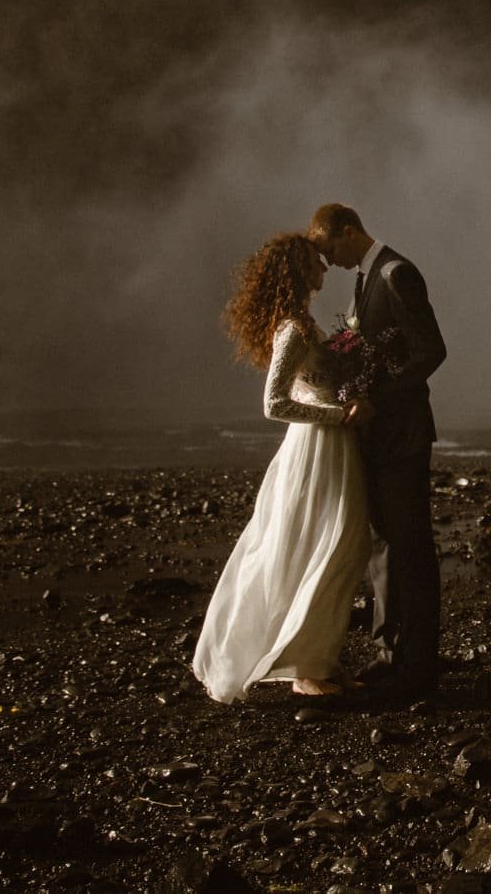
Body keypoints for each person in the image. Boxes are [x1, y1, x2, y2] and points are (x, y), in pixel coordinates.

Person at [191, 232, 375, 703]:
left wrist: (345, 395)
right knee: (323, 546)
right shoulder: (292, 329)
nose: (324, 268)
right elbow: (274, 404)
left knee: (339, 546)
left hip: (332, 445)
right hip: (314, 448)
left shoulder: (304, 323)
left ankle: (317, 659)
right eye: (316, 262)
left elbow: (306, 387)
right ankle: (304, 668)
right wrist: (336, 413)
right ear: (299, 272)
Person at [307, 202, 447, 702]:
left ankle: (419, 667)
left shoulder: (396, 272)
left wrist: (375, 398)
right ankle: (391, 654)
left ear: (349, 232)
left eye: (329, 250)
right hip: (380, 434)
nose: (328, 263)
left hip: (403, 432)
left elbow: (431, 350)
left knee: (410, 547)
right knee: (385, 544)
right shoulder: (370, 277)